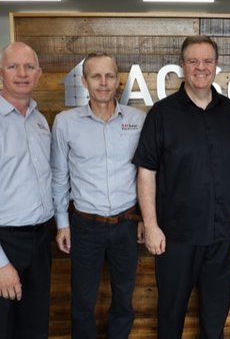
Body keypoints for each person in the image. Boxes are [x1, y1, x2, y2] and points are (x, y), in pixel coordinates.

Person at [133, 35, 230, 339]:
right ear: (182, 65)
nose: (201, 67)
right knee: (171, 317)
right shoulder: (162, 114)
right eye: (193, 61)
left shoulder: (228, 110)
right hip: (176, 237)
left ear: (216, 65)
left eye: (207, 61)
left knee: (215, 317)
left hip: (221, 234)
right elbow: (146, 172)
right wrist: (151, 225)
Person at [51, 52, 146, 339]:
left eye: (109, 76)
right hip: (84, 226)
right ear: (84, 81)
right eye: (96, 76)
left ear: (117, 80)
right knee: (82, 301)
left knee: (124, 299)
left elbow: (146, 173)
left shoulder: (138, 119)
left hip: (127, 225)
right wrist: (62, 224)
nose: (103, 83)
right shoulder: (65, 122)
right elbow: (59, 175)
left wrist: (145, 218)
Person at [0, 42, 53, 339]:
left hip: (40, 240)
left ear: (39, 74)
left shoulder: (39, 120)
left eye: (29, 67)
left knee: (34, 326)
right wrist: (1, 264)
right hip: (5, 243)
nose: (22, 73)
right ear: (1, 73)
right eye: (13, 67)